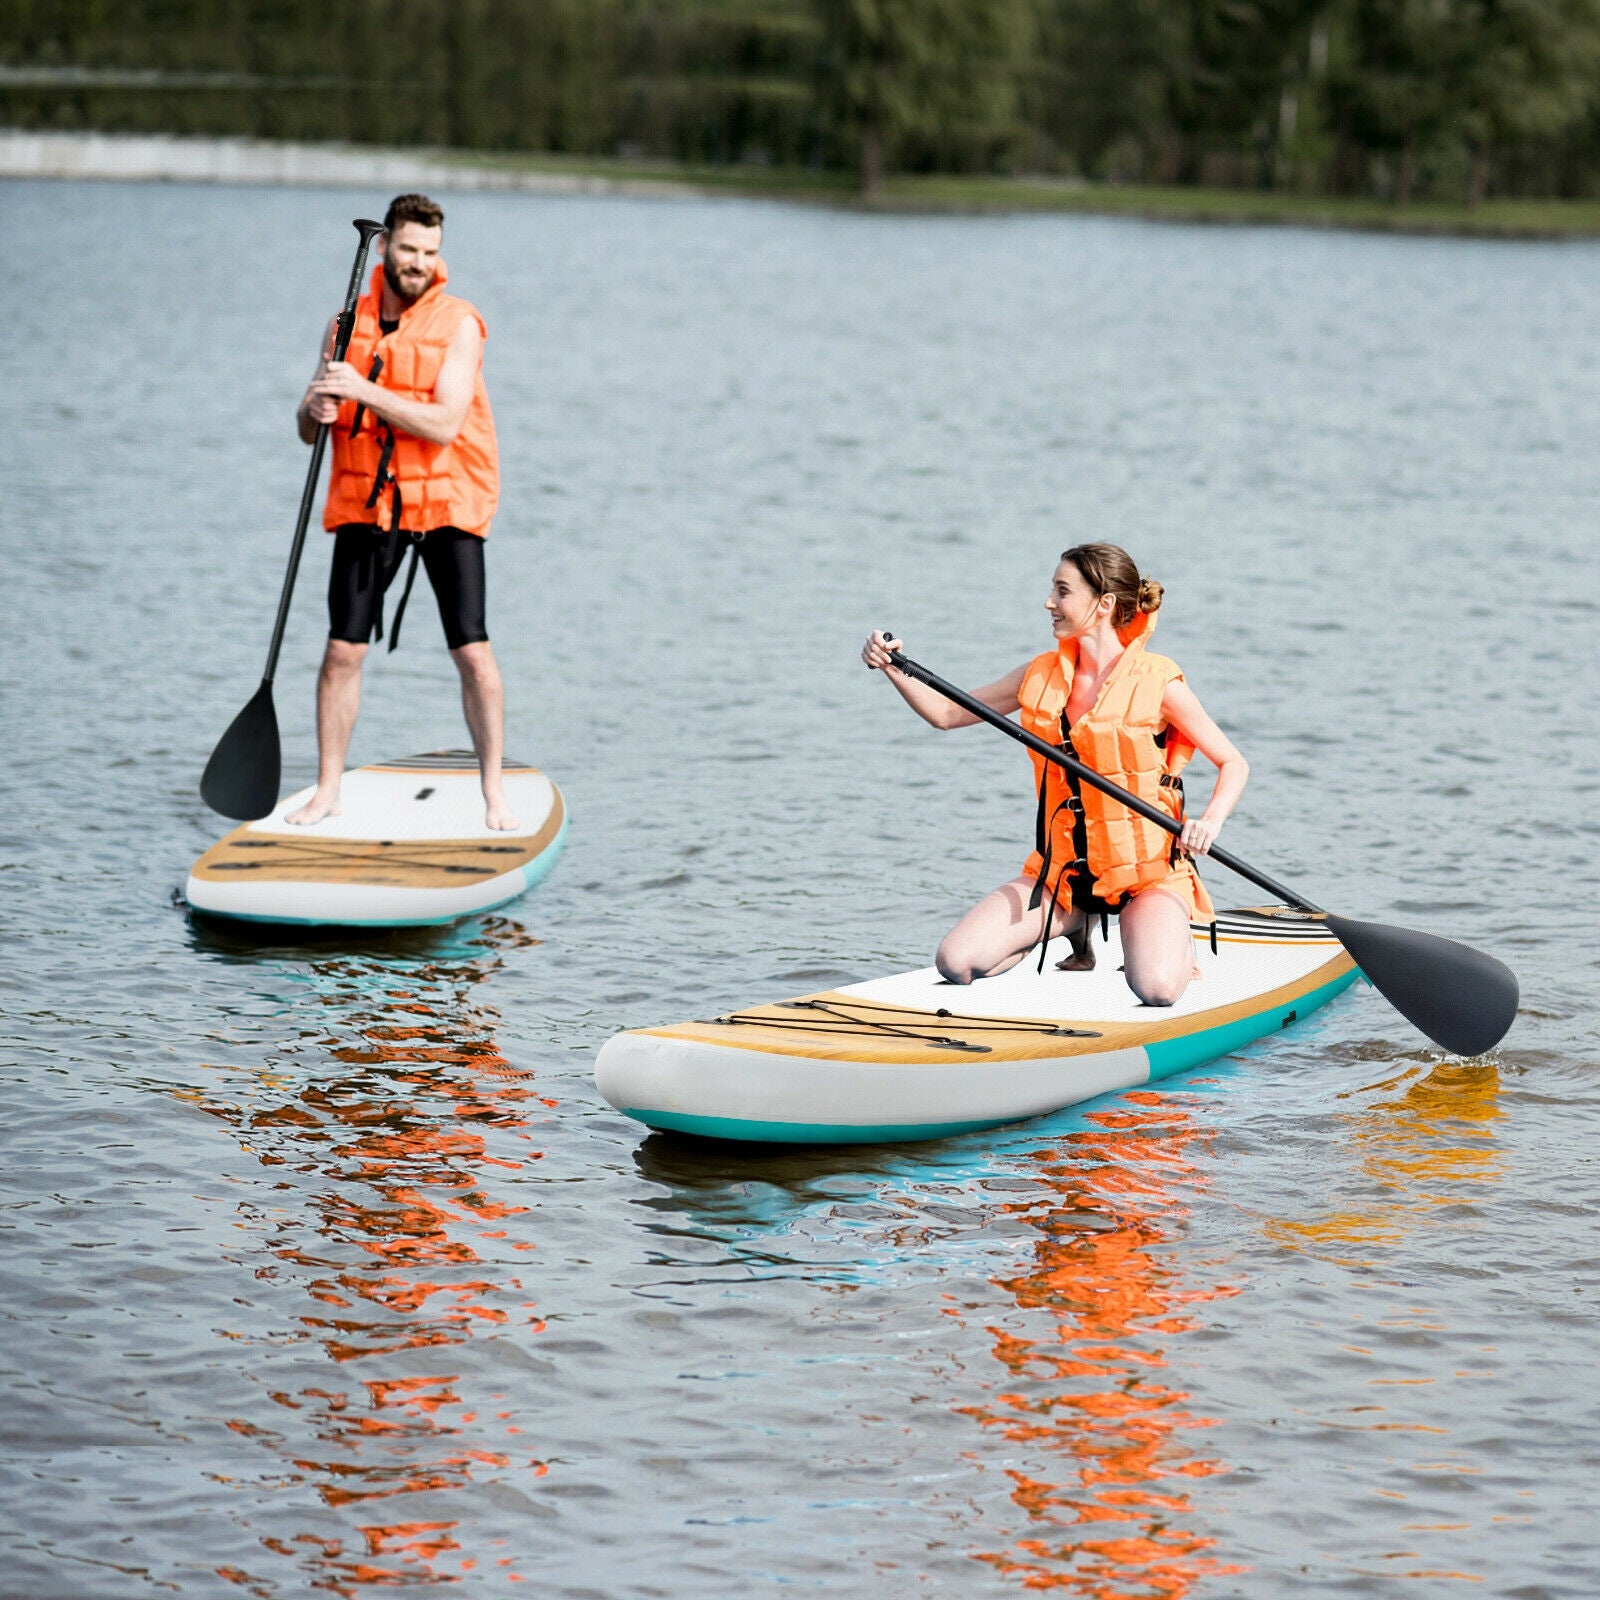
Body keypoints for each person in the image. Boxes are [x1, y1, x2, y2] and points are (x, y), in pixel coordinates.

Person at [860, 543, 1248, 1006]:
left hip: (1148, 877)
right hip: (1063, 877)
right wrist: (892, 667)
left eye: (1062, 591)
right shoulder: (1039, 675)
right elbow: (946, 713)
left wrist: (1209, 823)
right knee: (956, 962)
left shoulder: (1158, 681)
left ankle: (1170, 940)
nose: (1049, 603)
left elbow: (1233, 763)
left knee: (1158, 989)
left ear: (1103, 604)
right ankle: (1073, 926)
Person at [287, 192, 516, 829]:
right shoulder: (343, 326)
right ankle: (327, 789)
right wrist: (316, 409)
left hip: (446, 499)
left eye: (431, 253)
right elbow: (309, 433)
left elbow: (444, 423)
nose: (420, 264)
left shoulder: (461, 323)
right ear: (384, 246)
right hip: (369, 499)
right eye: (409, 249)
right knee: (341, 653)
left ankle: (493, 791)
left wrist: (363, 389)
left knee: (473, 652)